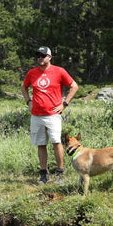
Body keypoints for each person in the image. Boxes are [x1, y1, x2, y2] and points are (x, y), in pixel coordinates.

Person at [21, 46, 79, 184]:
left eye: (43, 55)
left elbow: (74, 86)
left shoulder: (59, 71)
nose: (40, 58)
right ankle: (44, 173)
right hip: (36, 115)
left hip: (53, 115)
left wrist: (64, 104)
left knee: (56, 142)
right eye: (38, 55)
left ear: (49, 57)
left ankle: (59, 173)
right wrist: (28, 101)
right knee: (41, 144)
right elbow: (24, 86)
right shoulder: (32, 73)